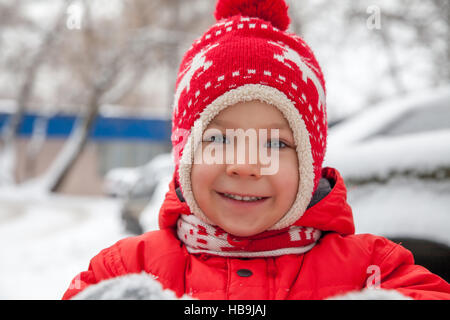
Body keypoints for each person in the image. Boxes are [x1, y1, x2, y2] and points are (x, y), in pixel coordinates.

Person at [62, 0, 450, 300]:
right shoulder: (129, 270)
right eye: (218, 139)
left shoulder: (372, 270)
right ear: (185, 155)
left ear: (309, 163)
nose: (246, 165)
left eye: (275, 143)